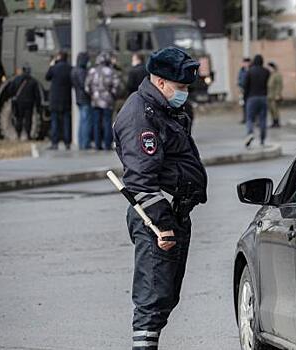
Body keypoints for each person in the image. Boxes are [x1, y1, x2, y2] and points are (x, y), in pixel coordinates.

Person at [113, 46, 208, 350]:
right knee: (152, 297)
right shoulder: (141, 114)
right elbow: (141, 180)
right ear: (161, 81)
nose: (184, 94)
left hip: (172, 213)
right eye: (180, 87)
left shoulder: (164, 108)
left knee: (165, 295)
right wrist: (163, 224)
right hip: (156, 217)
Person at [85, 51, 121, 150]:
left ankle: (97, 144)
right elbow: (116, 85)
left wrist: (93, 95)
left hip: (95, 101)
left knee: (96, 123)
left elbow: (87, 87)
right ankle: (107, 144)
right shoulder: (111, 71)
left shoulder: (92, 71)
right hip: (108, 101)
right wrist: (112, 95)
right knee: (107, 122)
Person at [45, 51, 72, 150]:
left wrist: (51, 64)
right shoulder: (70, 68)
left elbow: (47, 77)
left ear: (59, 57)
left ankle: (54, 143)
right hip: (66, 99)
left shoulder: (54, 68)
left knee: (55, 122)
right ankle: (67, 143)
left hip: (55, 99)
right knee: (66, 122)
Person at [8, 63, 41, 140]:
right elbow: (37, 95)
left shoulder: (16, 79)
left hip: (19, 102)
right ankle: (28, 135)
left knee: (19, 118)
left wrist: (14, 97)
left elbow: (10, 90)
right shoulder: (33, 81)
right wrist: (38, 105)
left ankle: (18, 134)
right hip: (29, 103)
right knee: (28, 119)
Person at [243, 54, 270, 147]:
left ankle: (250, 133)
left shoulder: (250, 72)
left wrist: (244, 98)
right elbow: (268, 84)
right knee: (263, 119)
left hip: (252, 98)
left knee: (249, 118)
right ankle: (262, 140)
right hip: (263, 97)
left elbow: (246, 86)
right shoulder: (266, 72)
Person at [71, 52, 92, 149]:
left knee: (81, 122)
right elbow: (85, 85)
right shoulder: (82, 72)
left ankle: (80, 142)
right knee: (86, 121)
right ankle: (85, 143)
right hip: (85, 99)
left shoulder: (74, 70)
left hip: (78, 97)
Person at [267, 61, 283, 128]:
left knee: (275, 109)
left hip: (275, 95)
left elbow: (279, 85)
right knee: (271, 109)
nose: (268, 69)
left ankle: (277, 122)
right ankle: (273, 122)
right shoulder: (271, 75)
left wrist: (278, 94)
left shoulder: (277, 75)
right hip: (270, 95)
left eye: (269, 67)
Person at [237, 57, 250, 123]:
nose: (245, 64)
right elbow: (239, 79)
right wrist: (240, 86)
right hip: (243, 89)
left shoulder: (251, 70)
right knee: (244, 105)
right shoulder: (241, 71)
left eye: (246, 63)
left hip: (250, 90)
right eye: (244, 63)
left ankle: (252, 118)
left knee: (250, 104)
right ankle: (245, 118)